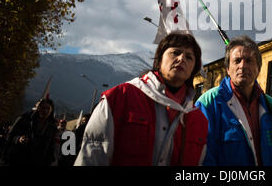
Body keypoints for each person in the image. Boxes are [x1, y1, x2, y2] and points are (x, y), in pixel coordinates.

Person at [74, 31, 208, 166]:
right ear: (159, 59)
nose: (181, 59)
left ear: (194, 69)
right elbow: (91, 158)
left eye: (189, 57)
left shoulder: (199, 120)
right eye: (175, 52)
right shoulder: (119, 98)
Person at [195, 35, 272, 166]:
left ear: (258, 69)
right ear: (228, 69)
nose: (243, 66)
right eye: (237, 60)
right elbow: (202, 159)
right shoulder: (208, 104)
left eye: (249, 60)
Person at [4, 98, 57, 166]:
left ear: (51, 110)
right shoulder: (25, 119)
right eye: (43, 108)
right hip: (19, 158)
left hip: (37, 161)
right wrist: (19, 139)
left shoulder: (52, 126)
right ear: (38, 108)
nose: (45, 111)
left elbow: (50, 146)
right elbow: (10, 136)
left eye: (48, 108)